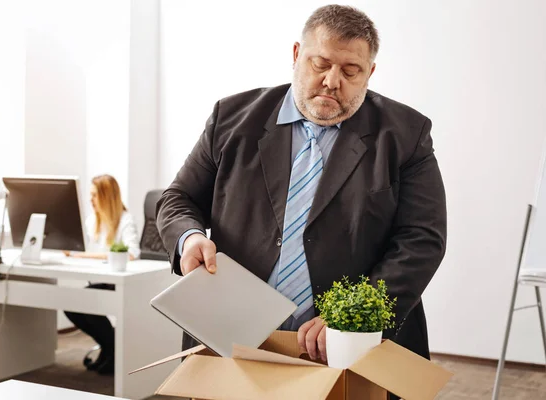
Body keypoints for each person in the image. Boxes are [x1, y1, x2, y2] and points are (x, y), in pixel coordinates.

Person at [156, 5, 446, 397]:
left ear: (370, 73)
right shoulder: (231, 118)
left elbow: (422, 239)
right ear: (296, 55)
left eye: (349, 70)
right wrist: (189, 237)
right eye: (320, 63)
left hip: (346, 347)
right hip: (234, 335)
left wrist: (352, 317)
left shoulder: (406, 134)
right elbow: (178, 198)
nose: (331, 81)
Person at [64, 174, 140, 374]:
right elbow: (83, 249)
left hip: (118, 283)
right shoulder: (92, 221)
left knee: (87, 304)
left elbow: (132, 253)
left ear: (106, 196)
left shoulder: (125, 220)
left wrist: (85, 256)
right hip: (100, 280)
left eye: (94, 195)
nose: (91, 200)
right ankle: (109, 347)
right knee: (71, 305)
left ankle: (111, 350)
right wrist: (72, 251)